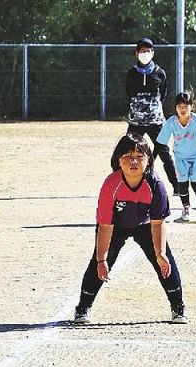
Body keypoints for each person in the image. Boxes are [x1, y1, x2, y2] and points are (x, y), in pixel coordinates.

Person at [73, 133, 188, 325]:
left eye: (139, 156)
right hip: (116, 226)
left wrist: (159, 253)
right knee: (99, 262)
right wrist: (101, 259)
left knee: (164, 261)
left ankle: (178, 306)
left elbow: (158, 222)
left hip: (145, 225)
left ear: (149, 160)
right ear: (118, 160)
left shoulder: (155, 184)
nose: (133, 161)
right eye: (127, 156)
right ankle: (83, 307)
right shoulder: (111, 184)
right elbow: (105, 225)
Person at [125, 37, 178, 196]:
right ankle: (125, 182)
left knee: (164, 152)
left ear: (153, 53)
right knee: (128, 150)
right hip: (136, 121)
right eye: (142, 51)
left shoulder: (160, 73)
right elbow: (128, 94)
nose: (145, 54)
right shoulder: (131, 73)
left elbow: (163, 94)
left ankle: (176, 186)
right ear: (136, 53)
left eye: (148, 51)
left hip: (156, 121)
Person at [156, 92, 196, 221]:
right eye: (179, 106)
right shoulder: (171, 123)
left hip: (195, 157)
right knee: (182, 182)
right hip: (180, 157)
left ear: (191, 106)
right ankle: (186, 207)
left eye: (185, 106)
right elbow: (160, 143)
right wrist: (151, 160)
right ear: (175, 108)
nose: (182, 109)